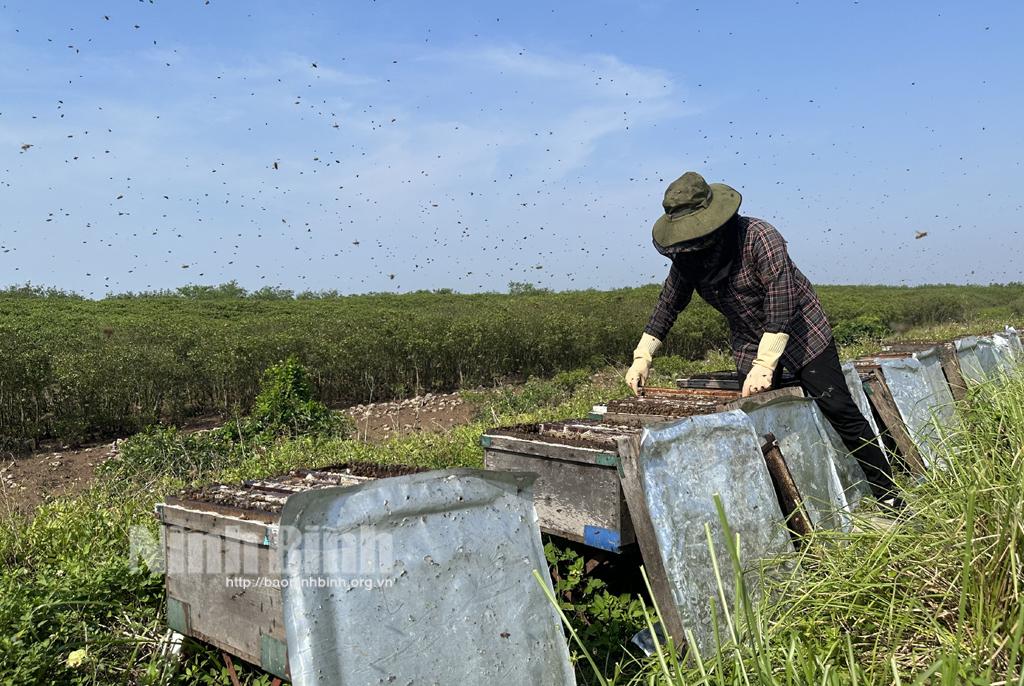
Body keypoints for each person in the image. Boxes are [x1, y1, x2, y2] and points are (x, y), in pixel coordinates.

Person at [625, 171, 898, 502]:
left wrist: (766, 364)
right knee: (759, 424)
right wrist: (643, 356)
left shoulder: (760, 237)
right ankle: (789, 511)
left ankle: (889, 495)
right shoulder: (687, 258)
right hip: (749, 342)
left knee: (838, 408)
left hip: (802, 333)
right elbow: (668, 305)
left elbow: (781, 303)